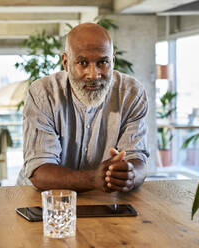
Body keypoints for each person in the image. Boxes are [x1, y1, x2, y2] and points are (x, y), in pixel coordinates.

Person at [16, 22, 149, 193]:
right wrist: (92, 179)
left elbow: (138, 160)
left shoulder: (132, 94)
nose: (94, 74)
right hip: (42, 198)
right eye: (83, 62)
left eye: (103, 62)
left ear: (113, 60)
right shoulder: (43, 94)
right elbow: (40, 171)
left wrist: (130, 175)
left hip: (101, 198)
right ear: (66, 62)